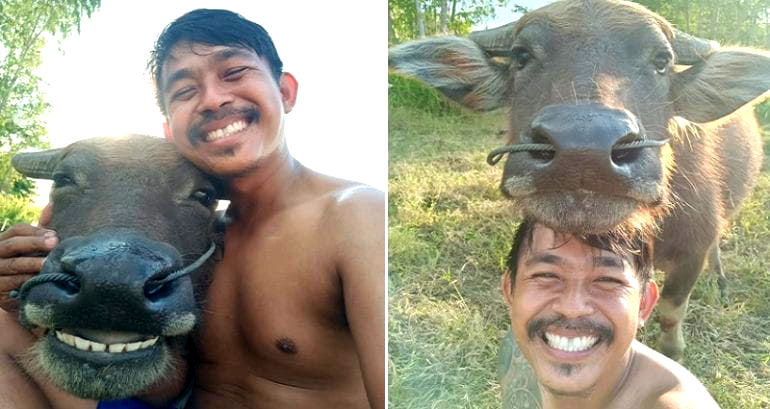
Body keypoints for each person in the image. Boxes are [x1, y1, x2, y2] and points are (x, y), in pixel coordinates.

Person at [0, 9, 384, 409]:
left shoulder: (357, 217)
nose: (213, 99)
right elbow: (170, 383)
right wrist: (25, 297)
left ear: (285, 91)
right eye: (184, 92)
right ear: (170, 129)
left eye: (234, 72)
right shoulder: (198, 236)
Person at [500, 218, 720, 409]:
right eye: (547, 275)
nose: (572, 308)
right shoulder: (516, 351)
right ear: (510, 290)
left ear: (645, 303)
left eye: (607, 280)